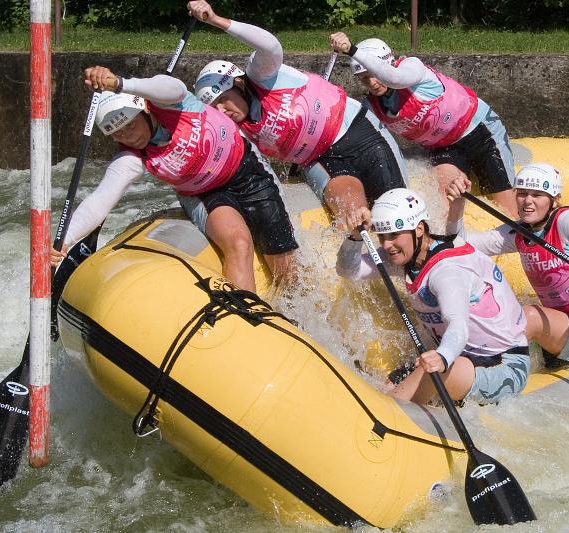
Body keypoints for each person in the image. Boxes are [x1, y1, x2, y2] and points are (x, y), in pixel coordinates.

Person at [49, 66, 298, 293]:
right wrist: (64, 241)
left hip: (248, 171)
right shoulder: (131, 157)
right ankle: (246, 321)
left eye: (130, 125)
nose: (127, 136)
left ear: (144, 109)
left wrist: (120, 84)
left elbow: (172, 85)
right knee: (239, 242)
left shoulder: (174, 103)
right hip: (205, 195)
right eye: (117, 133)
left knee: (283, 262)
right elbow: (101, 199)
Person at [187, 1, 407, 231]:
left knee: (395, 215)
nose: (222, 111)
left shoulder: (261, 74)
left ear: (239, 83)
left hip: (357, 132)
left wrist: (215, 19)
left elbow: (270, 45)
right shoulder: (233, 130)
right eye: (215, 108)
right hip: (319, 162)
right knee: (354, 222)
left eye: (223, 99)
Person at [336, 188, 530, 405]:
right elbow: (349, 271)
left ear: (419, 229)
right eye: (382, 236)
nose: (386, 245)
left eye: (393, 235)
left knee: (409, 390)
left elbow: (457, 324)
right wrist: (354, 237)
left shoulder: (447, 271)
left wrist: (442, 357)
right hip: (463, 357)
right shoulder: (407, 254)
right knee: (388, 386)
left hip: (503, 366)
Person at [446, 163, 569, 366]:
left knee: (530, 316)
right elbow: (457, 246)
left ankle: (486, 371)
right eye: (522, 194)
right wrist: (457, 207)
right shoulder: (517, 232)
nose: (528, 201)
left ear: (554, 200)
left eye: (537, 195)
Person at [328, 32, 518, 217]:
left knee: (508, 209)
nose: (372, 83)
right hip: (444, 149)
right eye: (364, 79)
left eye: (373, 74)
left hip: (480, 133)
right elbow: (348, 130)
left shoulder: (413, 68)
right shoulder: (372, 106)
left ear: (387, 63)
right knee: (445, 204)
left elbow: (394, 78)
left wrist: (352, 50)